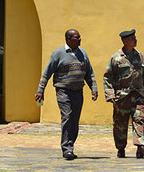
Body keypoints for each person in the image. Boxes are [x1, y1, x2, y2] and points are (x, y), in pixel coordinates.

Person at [35, 29, 98, 160]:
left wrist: (94, 88)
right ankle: (66, 149)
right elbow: (47, 73)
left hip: (78, 91)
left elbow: (89, 72)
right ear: (68, 39)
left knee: (74, 121)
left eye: (80, 37)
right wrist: (40, 90)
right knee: (67, 117)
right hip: (63, 91)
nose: (80, 39)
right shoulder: (58, 54)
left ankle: (71, 145)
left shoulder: (83, 53)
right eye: (77, 37)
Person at [103, 29, 144, 158]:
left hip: (138, 95)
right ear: (125, 41)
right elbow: (108, 77)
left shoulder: (140, 56)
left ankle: (141, 146)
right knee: (120, 124)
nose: (135, 40)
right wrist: (110, 95)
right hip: (122, 97)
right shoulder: (117, 58)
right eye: (132, 39)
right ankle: (120, 148)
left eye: (135, 38)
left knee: (139, 119)